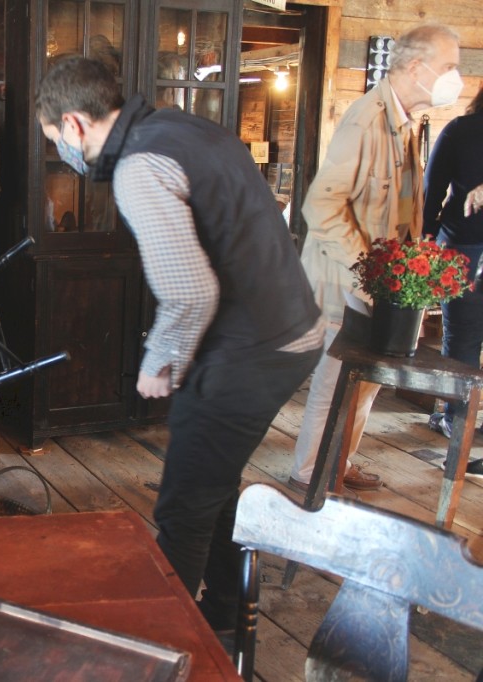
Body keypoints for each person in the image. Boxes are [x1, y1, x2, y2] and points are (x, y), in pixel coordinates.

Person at [35, 56, 323, 636]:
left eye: (54, 140)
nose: (61, 151)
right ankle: (223, 624)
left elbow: (190, 292)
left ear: (74, 125)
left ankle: (159, 644)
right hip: (288, 330)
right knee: (212, 487)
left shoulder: (138, 167)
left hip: (253, 346)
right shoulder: (180, 126)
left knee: (184, 508)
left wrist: (159, 359)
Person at [289, 23, 463, 494]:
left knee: (366, 383)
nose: (455, 77)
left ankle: (337, 463)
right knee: (337, 381)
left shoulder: (407, 121)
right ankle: (313, 476)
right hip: (344, 278)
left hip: (378, 281)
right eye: (449, 67)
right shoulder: (367, 119)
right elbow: (322, 205)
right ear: (415, 66)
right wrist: (368, 271)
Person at [423, 84, 483, 477]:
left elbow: (433, 185)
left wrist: (426, 235)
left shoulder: (461, 129)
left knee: (460, 335)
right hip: (463, 243)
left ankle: (452, 415)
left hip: (460, 243)